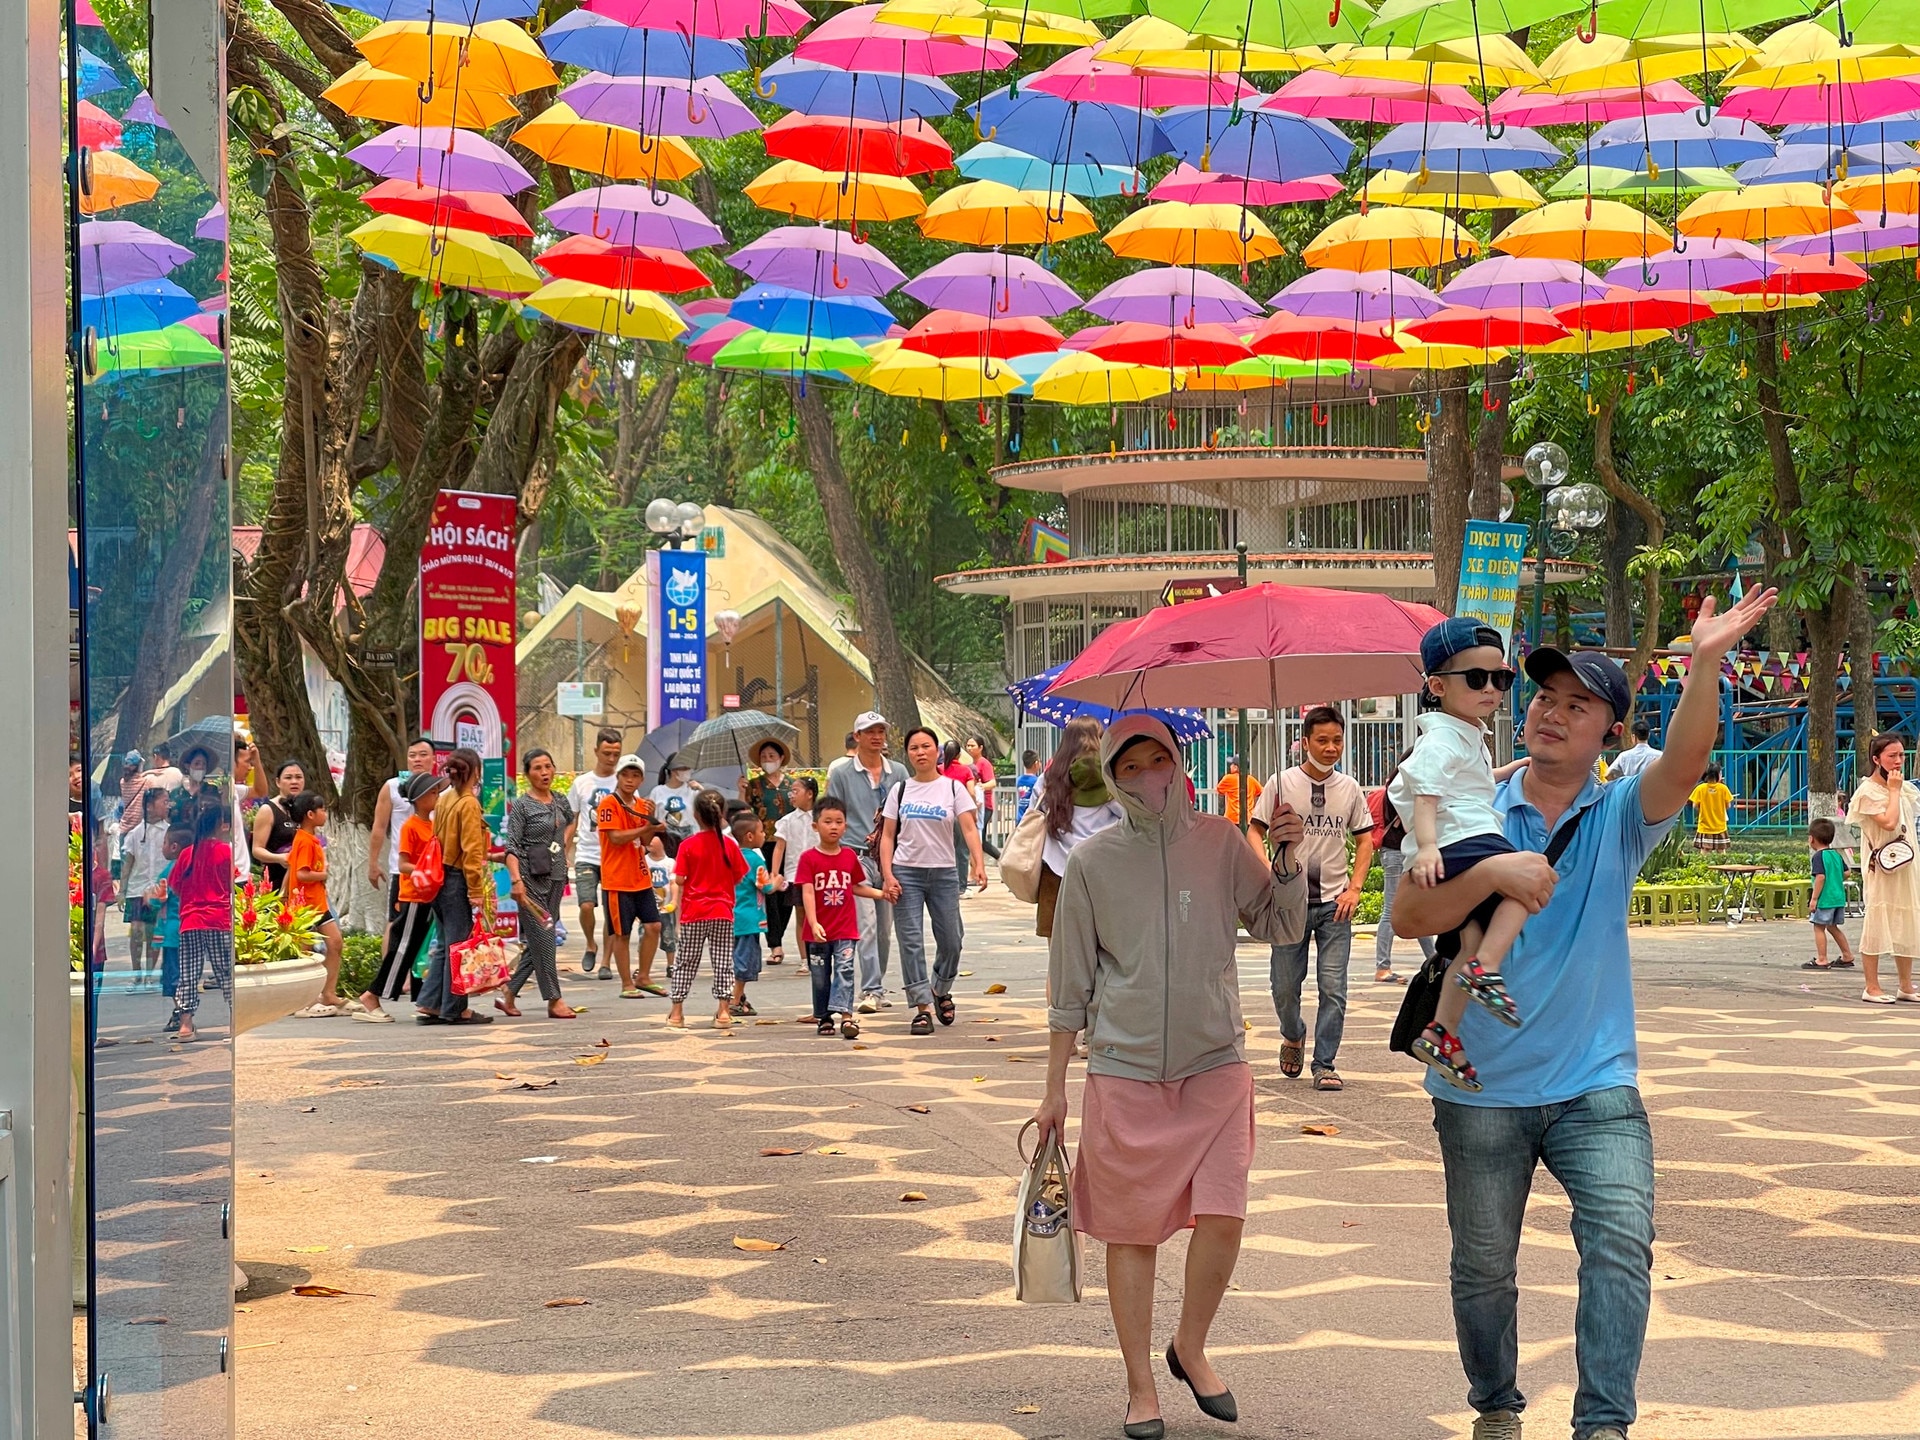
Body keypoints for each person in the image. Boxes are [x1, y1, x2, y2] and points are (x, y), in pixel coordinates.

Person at [1392, 586, 1777, 1440]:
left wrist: (1705, 662)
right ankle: (1495, 1401)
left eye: (1579, 705)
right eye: (1543, 698)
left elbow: (1684, 760)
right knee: (1483, 1271)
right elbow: (1410, 918)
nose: (1551, 715)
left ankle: (1602, 1424)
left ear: (1609, 730)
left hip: (1595, 1083)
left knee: (1618, 1246)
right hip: (1480, 1087)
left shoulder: (1620, 812)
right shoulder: (1472, 802)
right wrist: (1494, 873)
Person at [1036, 716, 1307, 1440]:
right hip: (1123, 1071)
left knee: (1224, 1215)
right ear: (1115, 778)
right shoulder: (1092, 863)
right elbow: (1070, 984)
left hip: (1216, 1061)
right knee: (1132, 1233)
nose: (1151, 774)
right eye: (1134, 764)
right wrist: (1056, 1086)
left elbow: (1278, 927)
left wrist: (1286, 858)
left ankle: (1190, 1345)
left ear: (1181, 762)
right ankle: (1139, 1386)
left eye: (1162, 758)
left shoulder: (1220, 841)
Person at [1386, 623, 1538, 1092]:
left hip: (1457, 836)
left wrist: (1507, 770)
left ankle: (1441, 1032)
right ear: (1437, 686)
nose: (1492, 688)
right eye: (1477, 679)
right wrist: (1429, 846)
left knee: (1466, 940)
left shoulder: (1464, 733)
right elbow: (1427, 792)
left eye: (1502, 679)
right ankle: (1487, 969)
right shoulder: (1443, 737)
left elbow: (1463, 783)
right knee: (1528, 883)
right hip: (1463, 838)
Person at [1251, 707, 1375, 1093]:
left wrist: (1355, 888)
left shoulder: (1350, 788)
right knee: (1284, 986)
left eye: (1337, 740)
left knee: (1333, 987)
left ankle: (1325, 1064)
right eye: (1321, 740)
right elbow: (1254, 831)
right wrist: (1268, 871)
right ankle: (1293, 1033)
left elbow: (1365, 839)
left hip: (1335, 905)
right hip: (1289, 904)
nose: (1330, 747)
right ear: (1304, 742)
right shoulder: (1281, 784)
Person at [880, 726, 988, 1036]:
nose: (920, 752)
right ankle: (922, 1008)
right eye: (914, 747)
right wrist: (888, 875)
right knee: (911, 941)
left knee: (952, 939)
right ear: (908, 753)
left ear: (936, 750)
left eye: (926, 746)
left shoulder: (952, 789)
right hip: (906, 873)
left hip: (943, 873)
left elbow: (969, 829)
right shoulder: (899, 790)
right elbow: (888, 836)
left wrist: (978, 863)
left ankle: (940, 988)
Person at [826, 711, 907, 1012]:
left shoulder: (898, 772)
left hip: (890, 858)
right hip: (855, 857)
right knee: (867, 925)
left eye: (880, 731)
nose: (876, 737)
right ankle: (871, 989)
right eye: (869, 731)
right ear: (856, 736)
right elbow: (832, 813)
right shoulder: (842, 774)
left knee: (885, 928)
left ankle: (878, 986)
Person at [499, 748, 579, 1020]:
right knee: (545, 938)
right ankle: (554, 999)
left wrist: (563, 846)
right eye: (537, 768)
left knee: (539, 942)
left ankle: (509, 992)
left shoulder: (559, 799)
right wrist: (516, 881)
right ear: (528, 774)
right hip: (529, 880)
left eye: (548, 766)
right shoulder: (522, 805)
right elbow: (511, 847)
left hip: (556, 877)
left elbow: (570, 821)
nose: (544, 772)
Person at [359, 771, 446, 1021]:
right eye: (432, 792)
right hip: (413, 895)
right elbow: (404, 863)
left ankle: (423, 999)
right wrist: (427, 870)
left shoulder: (431, 825)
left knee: (416, 949)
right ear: (418, 798)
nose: (437, 795)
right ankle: (372, 995)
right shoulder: (411, 827)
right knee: (402, 948)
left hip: (427, 894)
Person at [798, 797, 886, 1040]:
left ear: (846, 826)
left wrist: (882, 894)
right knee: (819, 976)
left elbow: (856, 886)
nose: (833, 826)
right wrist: (813, 922)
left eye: (839, 822)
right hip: (818, 931)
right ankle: (824, 1016)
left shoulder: (849, 857)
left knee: (845, 970)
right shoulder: (808, 858)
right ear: (815, 826)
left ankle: (846, 1016)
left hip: (846, 928)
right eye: (827, 821)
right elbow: (807, 891)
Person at [418, 748, 492, 1026]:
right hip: (457, 879)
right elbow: (472, 851)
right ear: (474, 771)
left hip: (439, 877)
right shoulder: (468, 803)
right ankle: (456, 1008)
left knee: (446, 945)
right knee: (458, 946)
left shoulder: (445, 798)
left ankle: (431, 1003)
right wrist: (476, 891)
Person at [1845, 733, 1920, 1004]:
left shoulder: (1905, 788)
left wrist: (1898, 789)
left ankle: (1905, 985)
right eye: (1892, 756)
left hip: (1907, 862)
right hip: (1881, 866)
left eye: (1901, 755)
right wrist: (1894, 791)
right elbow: (1888, 823)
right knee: (1878, 918)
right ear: (1876, 759)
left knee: (1907, 917)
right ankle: (1872, 986)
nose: (1898, 761)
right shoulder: (1868, 792)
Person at [1034, 717, 1121, 940]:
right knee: (1100, 947)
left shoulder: (1048, 779)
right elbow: (1128, 814)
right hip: (1102, 871)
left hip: (1055, 870)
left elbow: (1035, 814)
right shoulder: (1109, 777)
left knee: (1058, 956)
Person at [669, 788, 749, 1029]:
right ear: (722, 813)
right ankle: (723, 1012)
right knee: (723, 960)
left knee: (686, 961)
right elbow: (739, 876)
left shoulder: (688, 845)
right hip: (722, 911)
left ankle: (676, 1012)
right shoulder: (730, 845)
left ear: (695, 815)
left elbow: (680, 879)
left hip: (694, 912)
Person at [598, 754, 666, 999]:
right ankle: (626, 982)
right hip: (616, 879)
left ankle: (644, 976)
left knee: (654, 926)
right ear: (617, 776)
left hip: (640, 876)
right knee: (622, 933)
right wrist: (647, 827)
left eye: (635, 775)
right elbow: (615, 838)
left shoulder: (641, 805)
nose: (630, 779)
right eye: (625, 774)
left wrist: (654, 822)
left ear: (641, 779)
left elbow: (646, 841)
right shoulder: (609, 803)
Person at [172, 800, 236, 1045]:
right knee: (225, 972)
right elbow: (234, 883)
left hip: (190, 920)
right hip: (219, 919)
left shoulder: (188, 853)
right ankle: (234, 1018)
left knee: (189, 973)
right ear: (221, 825)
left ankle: (186, 1024)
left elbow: (176, 886)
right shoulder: (225, 852)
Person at [1367, 757, 1433, 986]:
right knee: (1390, 910)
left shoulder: (1395, 784)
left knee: (1419, 909)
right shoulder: (1401, 788)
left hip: (1401, 853)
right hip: (1396, 852)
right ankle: (1382, 967)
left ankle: (1434, 960)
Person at [284, 791, 348, 1017]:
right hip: (306, 907)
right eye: (322, 810)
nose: (325, 813)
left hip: (318, 904)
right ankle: (304, 1002)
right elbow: (302, 874)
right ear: (310, 814)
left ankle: (328, 993)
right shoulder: (304, 841)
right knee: (306, 952)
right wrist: (323, 874)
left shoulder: (310, 840)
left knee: (336, 943)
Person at [566, 728, 624, 978]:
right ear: (596, 751)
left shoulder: (624, 782)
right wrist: (563, 851)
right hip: (587, 855)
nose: (611, 759)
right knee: (587, 904)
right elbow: (571, 820)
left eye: (616, 754)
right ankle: (591, 943)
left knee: (613, 913)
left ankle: (606, 962)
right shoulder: (581, 783)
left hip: (616, 857)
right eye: (606, 753)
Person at [368, 736, 437, 933]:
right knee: (396, 922)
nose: (417, 760)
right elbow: (379, 827)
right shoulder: (392, 787)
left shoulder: (443, 790)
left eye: (423, 755)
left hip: (434, 872)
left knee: (429, 926)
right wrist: (373, 863)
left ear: (433, 760)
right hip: (403, 869)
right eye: (412, 755)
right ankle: (390, 964)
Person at [739, 739, 797, 963]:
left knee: (788, 891)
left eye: (772, 756)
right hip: (765, 845)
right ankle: (775, 944)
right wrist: (741, 791)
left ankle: (779, 934)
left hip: (789, 845)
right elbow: (745, 814)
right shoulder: (754, 785)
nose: (768, 761)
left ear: (781, 758)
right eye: (764, 757)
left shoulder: (792, 784)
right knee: (769, 892)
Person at [119, 787, 171, 989]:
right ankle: (136, 973)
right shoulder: (134, 833)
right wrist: (122, 890)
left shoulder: (169, 832)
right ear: (149, 806)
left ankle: (150, 974)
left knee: (152, 933)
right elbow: (128, 864)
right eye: (163, 801)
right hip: (137, 889)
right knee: (136, 931)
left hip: (158, 890)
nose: (167, 805)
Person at [728, 813, 774, 1016]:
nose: (764, 835)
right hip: (749, 919)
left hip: (730, 917)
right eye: (761, 831)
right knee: (745, 962)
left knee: (734, 959)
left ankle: (739, 997)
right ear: (749, 836)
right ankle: (735, 999)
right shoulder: (755, 860)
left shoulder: (730, 857)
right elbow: (766, 887)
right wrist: (778, 882)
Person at [770, 774, 818, 955]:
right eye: (791, 791)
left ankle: (819, 954)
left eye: (796, 791)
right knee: (801, 916)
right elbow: (779, 848)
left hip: (818, 875)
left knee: (820, 914)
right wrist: (775, 873)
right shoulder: (786, 821)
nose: (792, 795)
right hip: (795, 874)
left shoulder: (821, 818)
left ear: (810, 794)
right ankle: (805, 959)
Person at [150, 822, 191, 1032]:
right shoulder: (190, 867)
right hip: (187, 928)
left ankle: (180, 1012)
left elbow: (158, 900)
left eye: (164, 842)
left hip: (172, 932)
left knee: (173, 976)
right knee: (185, 973)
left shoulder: (169, 871)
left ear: (174, 847)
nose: (162, 847)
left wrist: (149, 899)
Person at [1803, 817, 1858, 972]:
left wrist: (1814, 899)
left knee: (1818, 927)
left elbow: (1820, 877)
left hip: (1824, 899)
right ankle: (1847, 955)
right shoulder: (1835, 855)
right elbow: (1847, 872)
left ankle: (1822, 959)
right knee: (1833, 927)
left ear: (1811, 839)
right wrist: (1835, 878)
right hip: (1837, 898)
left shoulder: (1818, 857)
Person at [250, 759, 306, 888]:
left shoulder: (307, 810)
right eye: (288, 777)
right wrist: (280, 858)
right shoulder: (268, 810)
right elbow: (257, 850)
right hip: (276, 883)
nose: (294, 781)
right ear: (278, 782)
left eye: (298, 777)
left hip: (304, 882)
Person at [651, 757, 701, 853]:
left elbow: (706, 810)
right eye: (684, 768)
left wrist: (701, 790)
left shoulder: (693, 790)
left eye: (688, 768)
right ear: (673, 771)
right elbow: (652, 818)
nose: (687, 771)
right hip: (666, 836)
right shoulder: (657, 791)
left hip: (690, 834)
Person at [967, 735, 1002, 860]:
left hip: (985, 806)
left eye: (972, 745)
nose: (969, 748)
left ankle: (1001, 859)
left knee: (979, 838)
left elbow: (992, 783)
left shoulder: (984, 763)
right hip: (976, 805)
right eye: (968, 746)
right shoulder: (971, 763)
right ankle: (1001, 859)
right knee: (980, 839)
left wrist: (980, 786)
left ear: (980, 747)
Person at [647, 834, 679, 971]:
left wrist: (674, 900)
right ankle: (644, 966)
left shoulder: (670, 863)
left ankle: (671, 964)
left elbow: (674, 883)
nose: (649, 842)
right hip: (647, 906)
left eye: (653, 838)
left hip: (665, 907)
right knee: (645, 936)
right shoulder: (643, 860)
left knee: (668, 936)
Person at [1689, 763, 1734, 851]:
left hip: (1704, 825)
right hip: (1720, 825)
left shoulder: (1700, 788)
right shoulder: (1723, 788)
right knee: (1721, 850)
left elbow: (1694, 805)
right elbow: (1728, 805)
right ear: (1718, 775)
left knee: (1705, 849)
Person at [1214, 757, 1262, 827]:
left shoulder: (1228, 778)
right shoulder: (1251, 780)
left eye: (1232, 764)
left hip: (1232, 819)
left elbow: (1219, 789)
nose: (1230, 766)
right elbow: (1261, 792)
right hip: (1248, 819)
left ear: (1236, 767)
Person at [1015, 750, 1042, 822]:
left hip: (1020, 816)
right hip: (1031, 818)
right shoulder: (1037, 781)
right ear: (1036, 764)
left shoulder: (1019, 780)